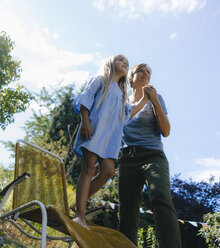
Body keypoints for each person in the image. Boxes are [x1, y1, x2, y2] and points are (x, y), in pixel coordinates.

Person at [71, 54, 148, 229]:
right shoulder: (101, 80)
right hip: (94, 129)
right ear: (110, 63)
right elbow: (86, 98)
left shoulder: (121, 93)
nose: (125, 63)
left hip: (109, 138)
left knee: (107, 171)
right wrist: (85, 121)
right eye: (121, 60)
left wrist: (145, 99)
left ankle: (78, 203)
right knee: (89, 167)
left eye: (127, 63)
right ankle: (79, 215)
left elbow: (129, 113)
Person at [118, 63, 182, 247]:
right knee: (127, 211)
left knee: (160, 196)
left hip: (153, 156)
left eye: (148, 72)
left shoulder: (157, 98)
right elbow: (115, 132)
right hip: (128, 159)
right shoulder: (122, 103)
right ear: (131, 78)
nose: (146, 74)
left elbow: (166, 131)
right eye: (141, 71)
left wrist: (154, 101)